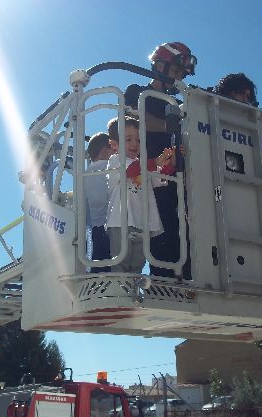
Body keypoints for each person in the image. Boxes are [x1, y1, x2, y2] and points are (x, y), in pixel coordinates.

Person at [124, 42, 197, 278]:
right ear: (159, 66)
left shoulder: (179, 105)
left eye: (181, 74)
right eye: (175, 71)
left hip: (178, 177)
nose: (178, 79)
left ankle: (185, 282)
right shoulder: (137, 92)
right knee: (160, 235)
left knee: (184, 235)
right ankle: (163, 287)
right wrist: (172, 127)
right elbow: (136, 120)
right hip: (149, 177)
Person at [106, 116, 173, 273]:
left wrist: (170, 160)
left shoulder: (145, 165)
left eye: (138, 140)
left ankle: (133, 287)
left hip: (142, 223)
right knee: (120, 261)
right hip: (120, 222)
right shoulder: (116, 160)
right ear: (114, 145)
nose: (135, 144)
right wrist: (155, 161)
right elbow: (131, 170)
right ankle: (121, 287)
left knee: (137, 264)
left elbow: (162, 177)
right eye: (128, 139)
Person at [84, 132, 114, 272]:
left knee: (100, 266)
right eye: (114, 148)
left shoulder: (85, 174)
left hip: (96, 227)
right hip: (112, 225)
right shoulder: (110, 167)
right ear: (104, 150)